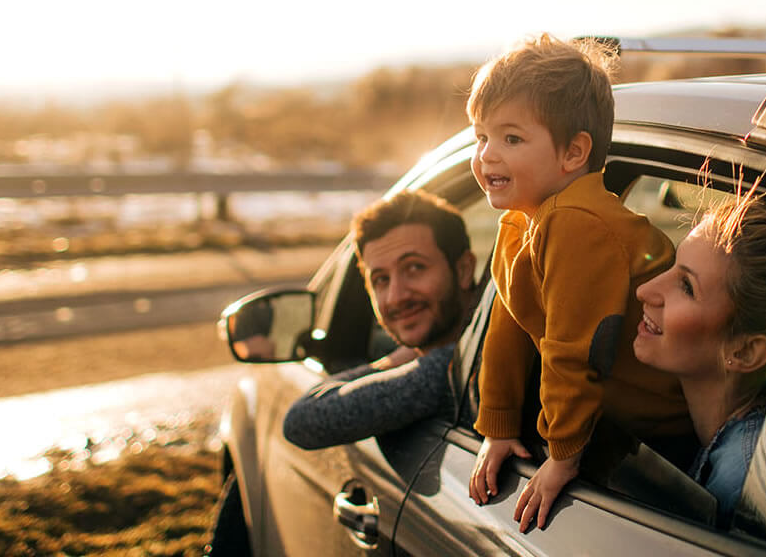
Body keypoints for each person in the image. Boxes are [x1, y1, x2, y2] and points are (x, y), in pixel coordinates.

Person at [465, 34, 691, 532]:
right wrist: (498, 426)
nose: (487, 156)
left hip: (666, 432)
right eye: (481, 137)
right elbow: (508, 327)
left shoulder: (575, 223)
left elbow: (574, 349)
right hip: (620, 424)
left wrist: (562, 455)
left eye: (511, 139)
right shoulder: (524, 221)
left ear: (573, 153)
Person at [632, 193, 766, 523]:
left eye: (686, 286)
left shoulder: (738, 487)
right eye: (673, 265)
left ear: (744, 351)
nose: (645, 290)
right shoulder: (741, 446)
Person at [281, 190, 480, 450]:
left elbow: (302, 421)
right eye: (381, 280)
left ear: (464, 269)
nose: (396, 297)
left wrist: (395, 361)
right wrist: (406, 357)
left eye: (414, 267)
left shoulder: (459, 368)